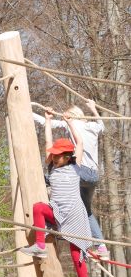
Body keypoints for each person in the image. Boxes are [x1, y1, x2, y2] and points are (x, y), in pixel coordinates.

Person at [21, 110, 96, 277]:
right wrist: (47, 121)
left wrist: (69, 123)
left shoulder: (75, 166)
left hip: (75, 216)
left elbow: (79, 144)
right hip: (58, 212)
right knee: (38, 208)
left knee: (76, 254)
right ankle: (39, 245)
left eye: (57, 156)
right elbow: (47, 144)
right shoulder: (53, 168)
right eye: (52, 155)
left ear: (67, 157)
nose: (53, 157)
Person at [33, 99, 108, 257]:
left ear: (71, 116)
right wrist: (94, 109)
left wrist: (31, 113)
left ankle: (58, 226)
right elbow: (102, 126)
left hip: (80, 172)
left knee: (53, 180)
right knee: (86, 211)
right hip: (93, 176)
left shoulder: (71, 124)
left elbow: (51, 129)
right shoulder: (92, 126)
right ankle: (102, 246)